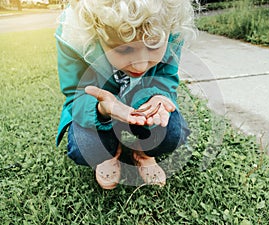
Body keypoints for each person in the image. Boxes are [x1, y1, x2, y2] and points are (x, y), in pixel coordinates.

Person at [55, 0, 196, 189]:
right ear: (96, 34)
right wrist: (101, 109)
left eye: (153, 45)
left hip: (142, 113)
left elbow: (166, 77)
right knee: (84, 148)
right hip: (100, 114)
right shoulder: (72, 37)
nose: (139, 65)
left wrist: (159, 96)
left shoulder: (168, 24)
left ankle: (144, 153)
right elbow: (75, 95)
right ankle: (108, 154)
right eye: (122, 49)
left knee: (173, 133)